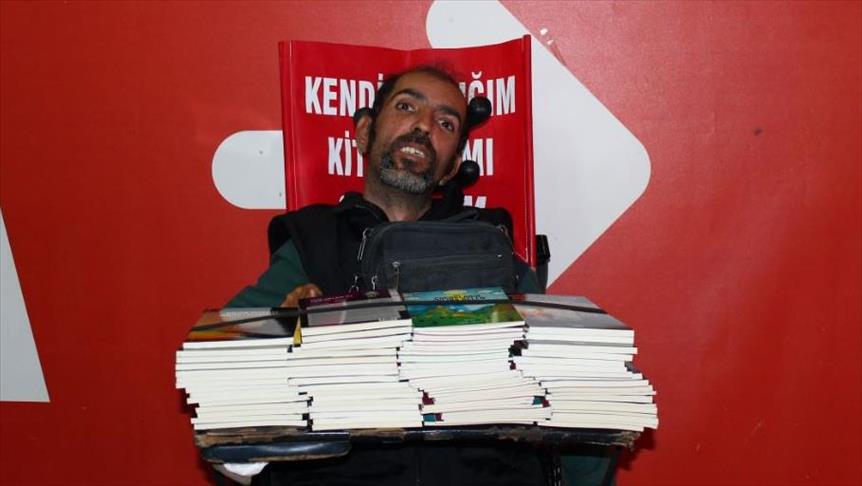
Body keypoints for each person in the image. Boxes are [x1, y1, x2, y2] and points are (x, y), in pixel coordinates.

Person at [226, 66, 615, 486]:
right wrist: (281, 343)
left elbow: (579, 414)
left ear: (452, 167)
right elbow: (229, 427)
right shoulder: (312, 243)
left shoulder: (491, 251)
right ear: (364, 132)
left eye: (446, 123)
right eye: (407, 107)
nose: (424, 126)